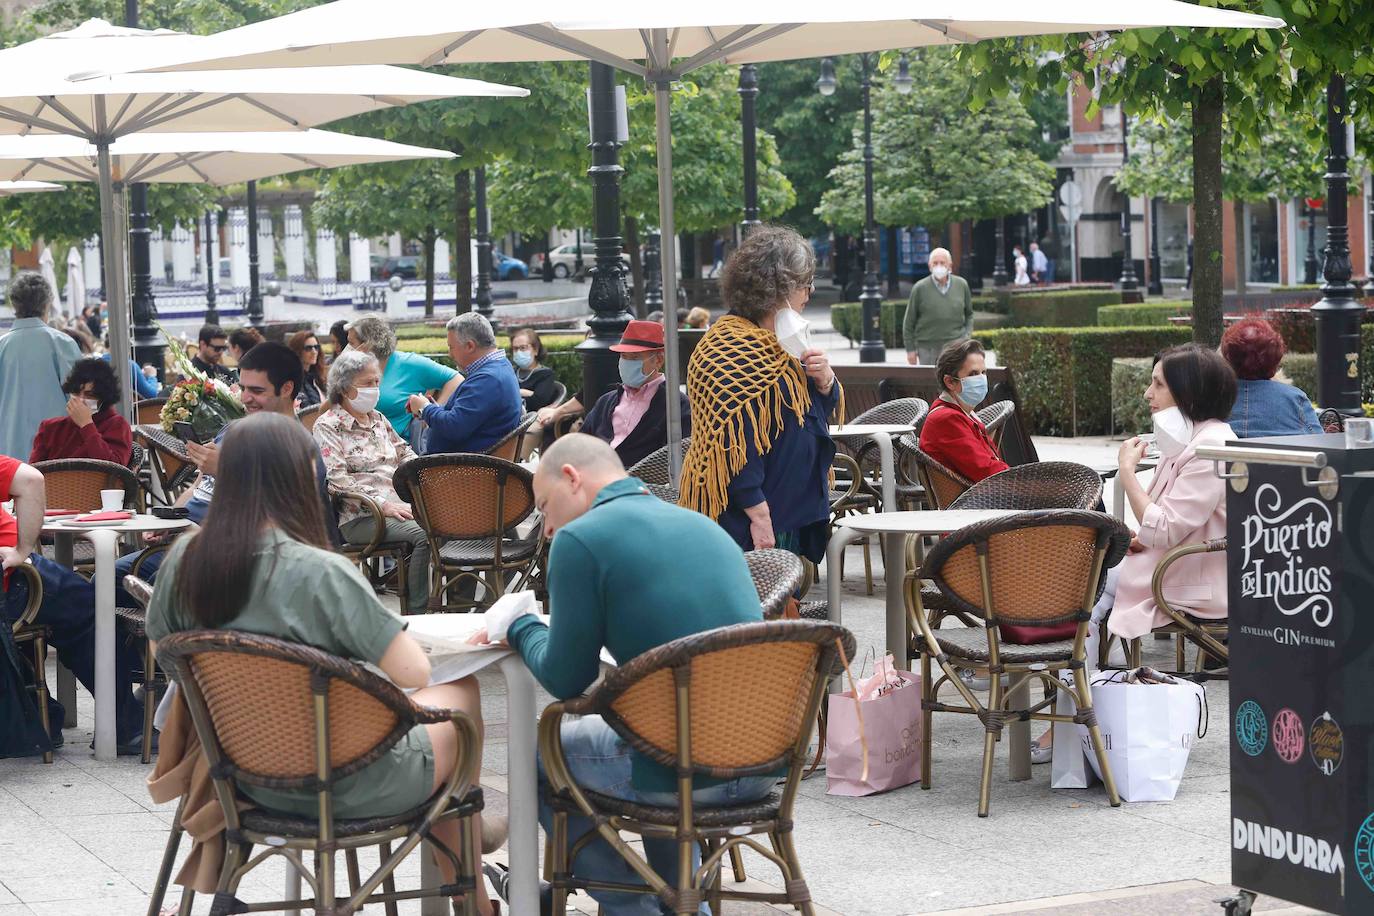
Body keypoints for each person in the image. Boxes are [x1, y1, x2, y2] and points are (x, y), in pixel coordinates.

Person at [145, 413, 497, 915]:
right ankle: (471, 876)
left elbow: (169, 657)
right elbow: (414, 673)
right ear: (300, 479)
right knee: (459, 690)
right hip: (349, 781)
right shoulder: (322, 573)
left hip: (241, 782)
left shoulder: (186, 559)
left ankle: (471, 862)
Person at [471, 434, 773, 916]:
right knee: (660, 729)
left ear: (572, 477)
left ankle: (635, 905)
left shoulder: (580, 539)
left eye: (545, 507)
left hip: (681, 768)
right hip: (767, 759)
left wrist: (518, 623)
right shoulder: (704, 526)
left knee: (538, 751)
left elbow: (566, 679)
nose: (546, 529)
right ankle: (681, 903)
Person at [1033, 344, 1235, 762]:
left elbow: (1164, 527)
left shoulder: (1209, 447)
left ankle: (1072, 720)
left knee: (1081, 596)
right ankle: (1072, 713)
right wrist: (1134, 535)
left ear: (1188, 392)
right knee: (1076, 587)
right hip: (1174, 562)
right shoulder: (1193, 438)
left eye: (1158, 383)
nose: (1148, 393)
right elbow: (1162, 526)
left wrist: (1127, 474)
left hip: (1189, 576)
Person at [112, 342, 340, 605]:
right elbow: (196, 487)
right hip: (184, 540)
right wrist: (168, 521)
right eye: (242, 388)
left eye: (256, 390)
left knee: (158, 584)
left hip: (232, 556)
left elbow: (287, 518)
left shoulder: (297, 446)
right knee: (107, 580)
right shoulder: (233, 430)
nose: (244, 398)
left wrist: (228, 470)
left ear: (287, 389)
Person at [679, 225, 839, 564]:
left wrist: (826, 382)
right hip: (745, 521)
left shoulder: (783, 342)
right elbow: (733, 444)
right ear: (777, 287)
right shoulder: (727, 347)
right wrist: (758, 514)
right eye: (802, 283)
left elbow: (809, 413)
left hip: (788, 514)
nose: (808, 293)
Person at [0, 457, 146, 753]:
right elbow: (31, 479)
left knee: (62, 608)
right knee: (92, 610)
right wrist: (23, 549)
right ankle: (125, 726)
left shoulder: (53, 430)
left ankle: (46, 719)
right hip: (12, 579)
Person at [314, 350, 430, 614]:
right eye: (367, 383)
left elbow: (405, 453)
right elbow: (336, 480)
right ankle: (418, 614)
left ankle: (455, 604)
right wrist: (383, 505)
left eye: (377, 382)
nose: (375, 389)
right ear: (344, 387)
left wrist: (424, 475)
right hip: (362, 516)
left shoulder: (378, 419)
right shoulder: (328, 426)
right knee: (425, 535)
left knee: (453, 523)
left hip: (402, 506)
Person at [579, 320, 692, 471]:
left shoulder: (676, 405)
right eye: (623, 356)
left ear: (658, 360)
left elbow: (676, 461)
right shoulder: (606, 401)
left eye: (634, 358)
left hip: (642, 486)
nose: (626, 363)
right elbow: (582, 440)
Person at [406, 313, 522, 455]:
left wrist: (425, 408)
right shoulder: (498, 368)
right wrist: (432, 409)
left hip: (459, 471)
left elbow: (453, 427)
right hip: (462, 464)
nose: (449, 354)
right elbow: (465, 418)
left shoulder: (488, 379)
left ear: (469, 346)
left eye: (451, 347)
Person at [0, 274, 82, 460]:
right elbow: (82, 399)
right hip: (57, 451)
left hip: (8, 453)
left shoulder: (2, 346)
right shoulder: (62, 343)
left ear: (14, 305)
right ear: (47, 304)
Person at [347, 315, 461, 445]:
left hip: (401, 451)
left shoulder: (409, 363)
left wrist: (432, 412)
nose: (347, 349)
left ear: (367, 344)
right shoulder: (355, 368)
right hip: (361, 448)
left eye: (351, 343)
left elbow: (455, 379)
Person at [918, 339, 1008, 485]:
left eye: (983, 372)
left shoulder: (963, 412)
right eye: (973, 374)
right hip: (973, 502)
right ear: (950, 382)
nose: (981, 379)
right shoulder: (946, 419)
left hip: (983, 496)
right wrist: (1022, 480)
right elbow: (986, 471)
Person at [1220, 318, 1321, 438]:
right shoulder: (1295, 399)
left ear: (1227, 357)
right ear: (1276, 359)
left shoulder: (1212, 399)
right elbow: (1320, 442)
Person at [29, 358, 133, 466]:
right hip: (54, 483)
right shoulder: (50, 428)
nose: (81, 399)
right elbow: (33, 471)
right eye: (76, 392)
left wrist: (87, 425)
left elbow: (115, 469)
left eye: (90, 395)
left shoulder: (117, 425)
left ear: (103, 398)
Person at [902, 247, 973, 365]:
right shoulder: (919, 288)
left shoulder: (962, 285)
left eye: (942, 263)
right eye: (935, 263)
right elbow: (909, 322)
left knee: (953, 381)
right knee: (930, 382)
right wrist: (910, 350)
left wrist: (966, 337)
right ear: (929, 266)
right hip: (927, 349)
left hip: (955, 347)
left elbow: (969, 314)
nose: (939, 266)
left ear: (950, 265)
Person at [509, 326, 560, 413]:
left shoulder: (546, 374)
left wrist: (517, 393)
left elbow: (539, 402)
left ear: (536, 349)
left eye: (523, 348)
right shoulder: (510, 372)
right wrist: (527, 393)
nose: (518, 352)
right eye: (515, 348)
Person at [287, 330, 327, 410]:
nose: (314, 352)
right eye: (308, 348)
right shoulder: (291, 381)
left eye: (316, 347)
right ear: (297, 351)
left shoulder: (318, 377)